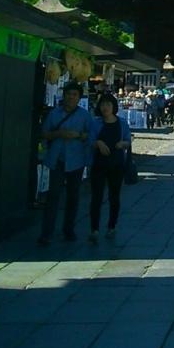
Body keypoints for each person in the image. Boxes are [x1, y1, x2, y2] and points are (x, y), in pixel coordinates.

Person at [38, 82, 91, 246]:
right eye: (69, 94)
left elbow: (90, 136)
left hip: (76, 160)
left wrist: (78, 135)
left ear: (79, 98)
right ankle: (47, 232)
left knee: (73, 197)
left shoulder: (84, 115)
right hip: (57, 159)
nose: (71, 97)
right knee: (53, 196)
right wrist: (59, 133)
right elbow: (44, 134)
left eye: (75, 95)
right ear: (64, 96)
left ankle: (69, 229)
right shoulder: (54, 114)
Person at [88, 91, 133, 244]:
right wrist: (98, 143)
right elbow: (90, 141)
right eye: (103, 104)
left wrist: (123, 144)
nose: (105, 107)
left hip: (116, 164)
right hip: (98, 164)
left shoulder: (121, 123)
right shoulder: (95, 123)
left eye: (108, 104)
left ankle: (112, 226)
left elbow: (128, 140)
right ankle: (94, 229)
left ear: (114, 106)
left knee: (114, 196)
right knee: (96, 197)